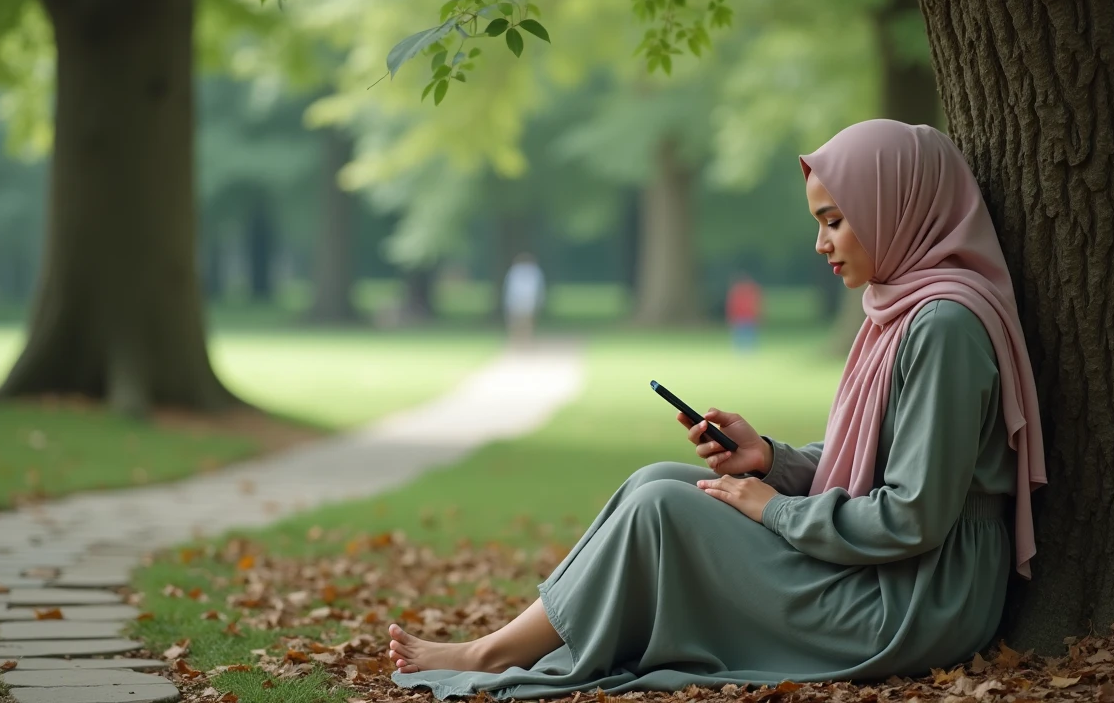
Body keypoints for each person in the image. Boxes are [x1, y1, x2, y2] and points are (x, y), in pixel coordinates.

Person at [387, 120, 1048, 698]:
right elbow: (876, 462)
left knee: (663, 509)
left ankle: (490, 654)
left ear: (896, 207)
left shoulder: (943, 325)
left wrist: (774, 506)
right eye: (820, 223)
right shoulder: (902, 311)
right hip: (891, 572)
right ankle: (505, 645)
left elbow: (912, 515)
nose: (822, 244)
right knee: (657, 481)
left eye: (835, 221)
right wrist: (770, 460)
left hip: (916, 599)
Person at [502, 253, 546, 345]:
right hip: (528, 299)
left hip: (519, 299)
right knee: (525, 320)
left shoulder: (515, 271)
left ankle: (519, 340)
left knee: (518, 320)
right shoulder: (534, 271)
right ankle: (524, 340)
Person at [725, 273, 763, 351]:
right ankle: (745, 350)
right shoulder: (750, 290)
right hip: (744, 316)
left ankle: (745, 350)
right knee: (744, 335)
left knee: (745, 335)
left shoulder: (738, 290)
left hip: (746, 316)